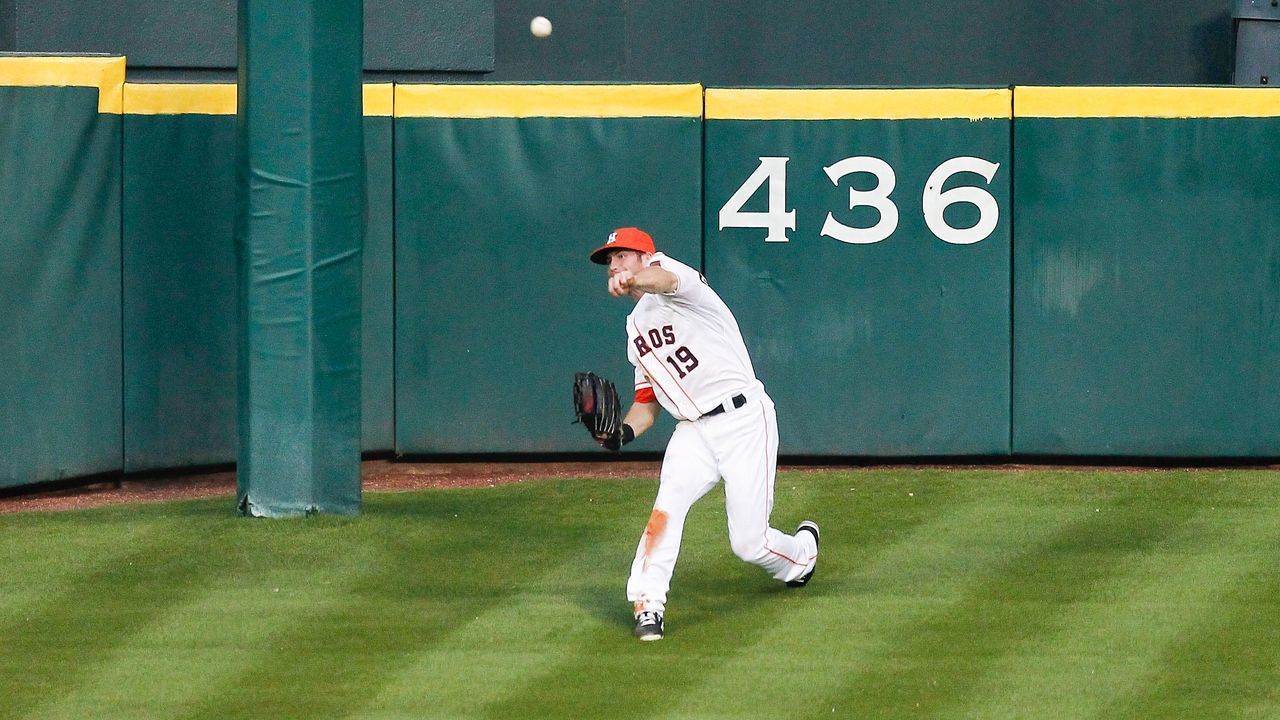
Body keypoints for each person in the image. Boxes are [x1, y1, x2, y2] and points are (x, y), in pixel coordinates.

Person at [588, 227, 820, 642]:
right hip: (692, 432)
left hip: (743, 419)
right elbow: (647, 404)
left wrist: (634, 279)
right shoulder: (635, 330)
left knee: (748, 543)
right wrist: (621, 433)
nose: (615, 265)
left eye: (623, 256)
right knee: (665, 511)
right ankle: (647, 603)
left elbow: (663, 280)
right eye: (611, 261)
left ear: (646, 257)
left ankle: (801, 557)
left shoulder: (680, 283)